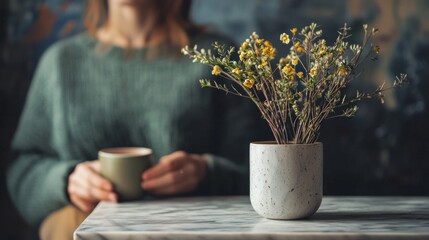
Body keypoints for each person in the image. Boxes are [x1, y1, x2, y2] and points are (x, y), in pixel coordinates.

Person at [6, 0, 264, 239]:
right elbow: (24, 167)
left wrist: (206, 172)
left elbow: (267, 168)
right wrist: (67, 180)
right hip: (82, 223)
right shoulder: (61, 62)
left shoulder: (218, 59)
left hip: (190, 226)